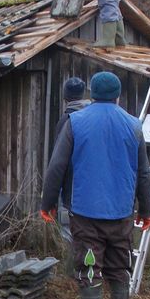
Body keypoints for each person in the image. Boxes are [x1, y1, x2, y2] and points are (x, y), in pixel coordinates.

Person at [41, 71, 150, 299]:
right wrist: (146, 210)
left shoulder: (76, 122)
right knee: (119, 267)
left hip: (86, 213)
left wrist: (48, 203)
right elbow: (143, 172)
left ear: (92, 94)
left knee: (89, 267)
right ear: (117, 96)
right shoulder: (134, 125)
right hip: (122, 213)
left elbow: (57, 166)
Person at [55, 76, 90, 247]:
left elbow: (58, 161)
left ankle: (75, 262)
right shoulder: (92, 118)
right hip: (92, 188)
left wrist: (50, 194)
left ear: (65, 97)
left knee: (69, 234)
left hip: (71, 187)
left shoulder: (66, 121)